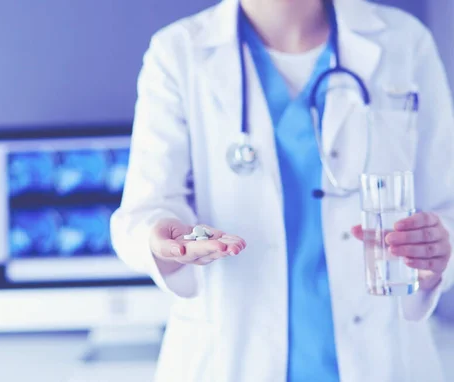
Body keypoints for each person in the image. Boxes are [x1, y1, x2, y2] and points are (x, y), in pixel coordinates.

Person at [110, 0, 454, 380]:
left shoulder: (404, 41)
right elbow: (144, 210)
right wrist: (162, 239)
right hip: (229, 356)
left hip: (384, 356)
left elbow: (447, 207)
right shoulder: (178, 52)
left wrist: (439, 246)